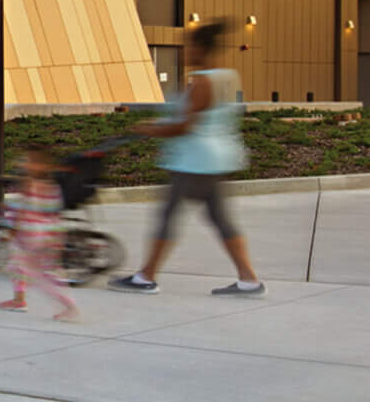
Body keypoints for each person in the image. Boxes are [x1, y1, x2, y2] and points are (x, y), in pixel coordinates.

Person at [111, 20, 264, 296]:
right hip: (217, 161)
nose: (186, 51)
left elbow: (185, 126)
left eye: (190, 46)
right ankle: (249, 279)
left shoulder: (203, 82)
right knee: (220, 219)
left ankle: (146, 277)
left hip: (194, 163)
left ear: (202, 49)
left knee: (168, 217)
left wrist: (148, 129)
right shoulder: (227, 77)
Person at [0, 147, 76, 320]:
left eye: (28, 160)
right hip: (45, 235)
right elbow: (54, 213)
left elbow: (21, 210)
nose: (24, 163)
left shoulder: (28, 184)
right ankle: (19, 300)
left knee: (42, 278)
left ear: (41, 166)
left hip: (33, 237)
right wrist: (58, 237)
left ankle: (70, 307)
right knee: (17, 266)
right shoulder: (52, 187)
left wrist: (10, 230)